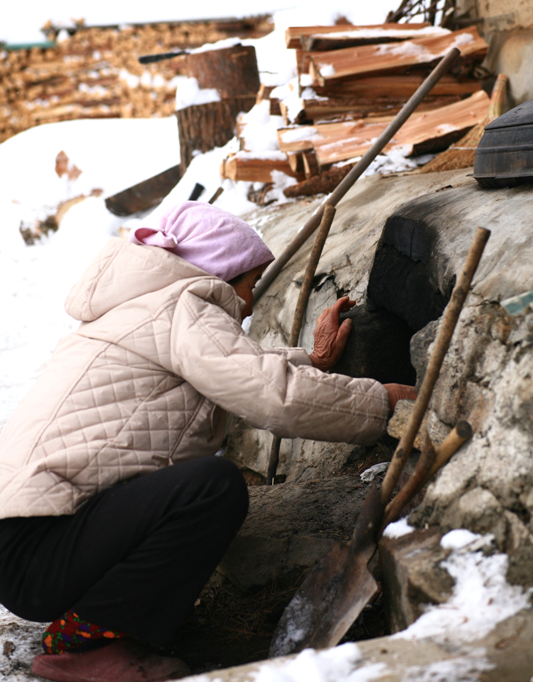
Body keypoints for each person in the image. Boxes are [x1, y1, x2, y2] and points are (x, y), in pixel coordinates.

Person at [0, 202, 415, 682]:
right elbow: (271, 395)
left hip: (29, 543)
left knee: (199, 487)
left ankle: (95, 624)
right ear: (219, 272)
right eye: (249, 284)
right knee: (211, 487)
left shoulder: (143, 308)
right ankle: (87, 648)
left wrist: (312, 360)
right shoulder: (182, 308)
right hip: (39, 548)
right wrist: (380, 403)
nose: (251, 302)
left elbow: (242, 367)